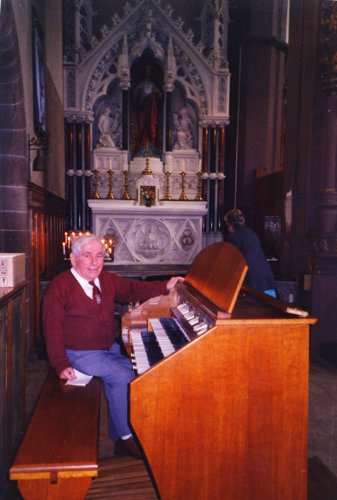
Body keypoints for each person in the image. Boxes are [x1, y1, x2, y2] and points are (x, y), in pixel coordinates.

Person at [42, 234, 183, 459]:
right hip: (79, 353)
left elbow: (134, 290)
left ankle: (118, 435)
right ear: (73, 258)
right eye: (87, 256)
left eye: (99, 256)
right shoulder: (59, 287)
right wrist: (60, 364)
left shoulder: (106, 280)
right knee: (121, 375)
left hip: (108, 349)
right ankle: (128, 438)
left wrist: (166, 285)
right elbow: (52, 329)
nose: (94, 262)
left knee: (137, 370)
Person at [224, 209, 277, 297]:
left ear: (230, 225)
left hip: (253, 282)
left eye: (227, 224)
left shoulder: (233, 237)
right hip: (266, 280)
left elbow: (232, 262)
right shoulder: (251, 233)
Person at [132, 65, 161, 157]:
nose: (148, 73)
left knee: (152, 128)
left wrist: (155, 93)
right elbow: (134, 94)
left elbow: (160, 96)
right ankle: (141, 147)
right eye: (146, 71)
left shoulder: (153, 85)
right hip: (142, 111)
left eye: (149, 71)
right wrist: (138, 90)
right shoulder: (142, 84)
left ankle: (151, 148)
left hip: (152, 112)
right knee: (141, 128)